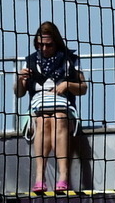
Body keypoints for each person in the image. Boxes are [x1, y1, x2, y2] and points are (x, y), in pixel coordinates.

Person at [13, 21, 88, 191]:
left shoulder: (70, 61)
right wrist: (20, 79)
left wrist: (67, 85)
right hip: (37, 110)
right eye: (40, 45)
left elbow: (83, 88)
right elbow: (19, 93)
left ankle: (63, 176)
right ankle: (40, 176)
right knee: (43, 120)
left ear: (56, 43)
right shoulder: (30, 62)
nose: (44, 49)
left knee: (58, 118)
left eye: (48, 45)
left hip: (64, 110)